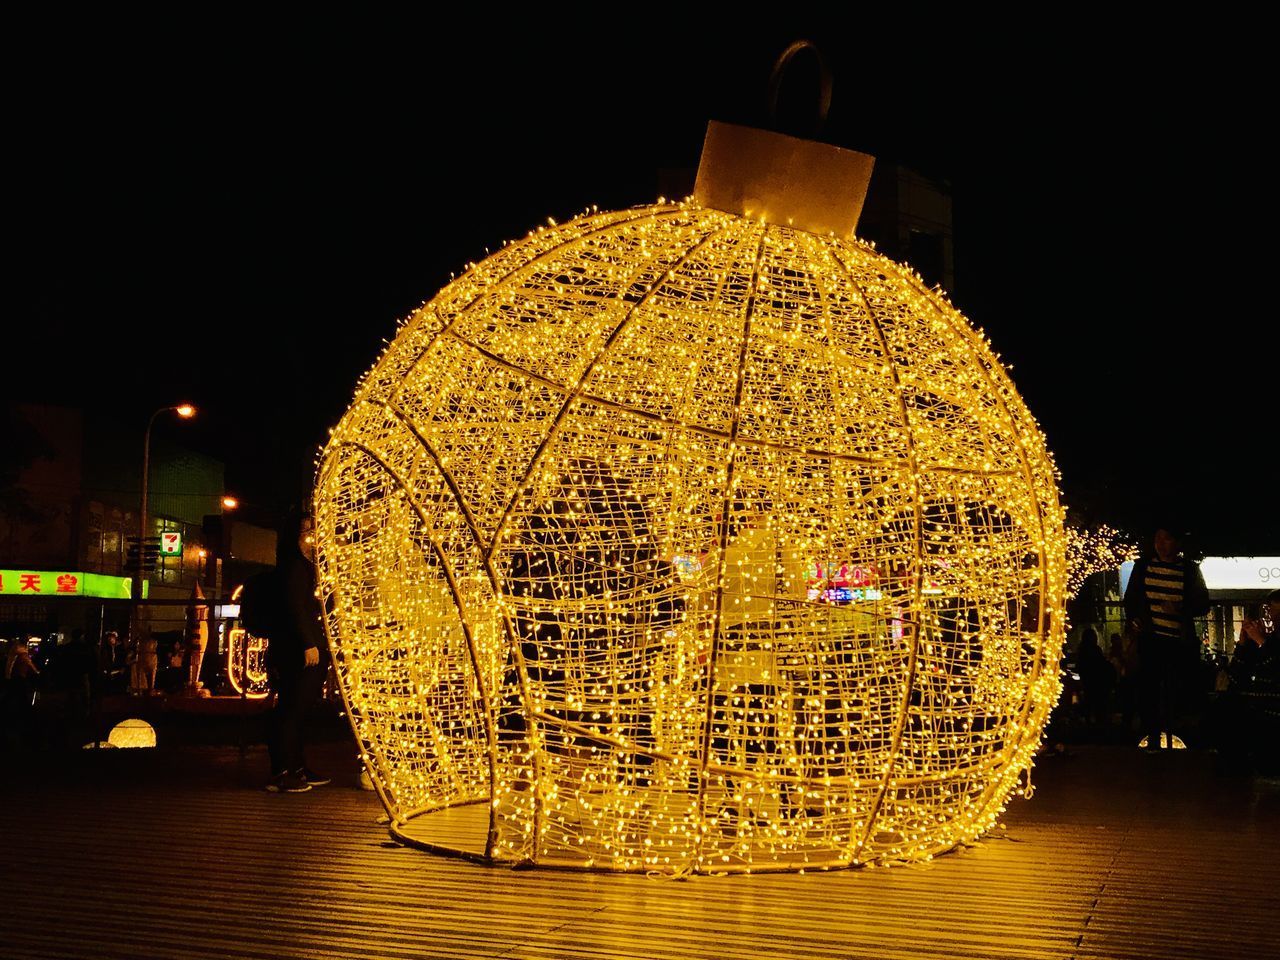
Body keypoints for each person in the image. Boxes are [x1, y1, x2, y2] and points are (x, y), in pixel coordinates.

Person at [243, 510, 331, 794]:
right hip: (296, 649)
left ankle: (296, 767)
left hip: (302, 646)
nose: (311, 535)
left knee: (299, 710)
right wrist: (308, 643)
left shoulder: (305, 565)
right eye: (305, 530)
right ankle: (281, 772)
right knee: (291, 710)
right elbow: (296, 607)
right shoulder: (295, 567)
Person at [1123, 526, 1210, 751]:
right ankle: (1152, 736)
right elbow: (1131, 599)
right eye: (1157, 539)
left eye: (1167, 539)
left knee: (1178, 687)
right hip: (1151, 638)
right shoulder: (1143, 566)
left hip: (1178, 640)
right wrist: (1135, 619)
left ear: (1177, 543)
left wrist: (1180, 608)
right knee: (1148, 687)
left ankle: (1180, 734)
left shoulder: (1188, 570)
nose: (1161, 544)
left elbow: (1202, 603)